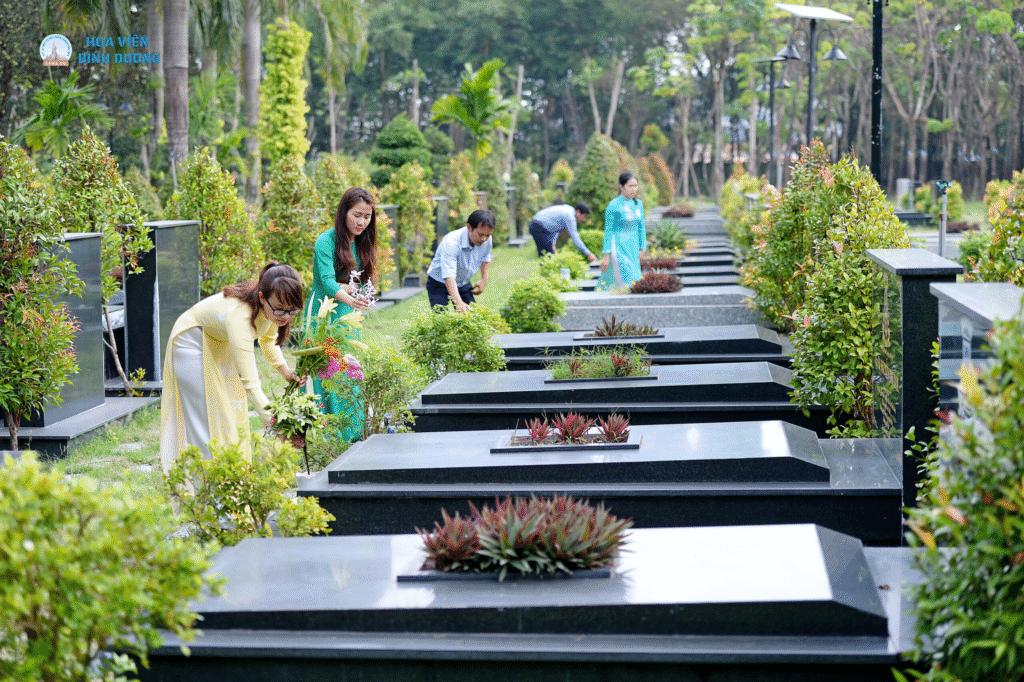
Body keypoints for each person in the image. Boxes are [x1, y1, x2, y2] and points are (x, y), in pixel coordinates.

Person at [160, 262, 304, 473]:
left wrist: (285, 371)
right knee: (206, 420)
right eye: (280, 309)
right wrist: (278, 425)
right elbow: (251, 385)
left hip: (216, 341)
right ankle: (207, 487)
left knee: (229, 415)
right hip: (190, 342)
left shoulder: (271, 310)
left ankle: (230, 479)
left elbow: (267, 340)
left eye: (292, 310)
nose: (286, 317)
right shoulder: (240, 319)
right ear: (262, 297)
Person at [308, 187, 378, 442]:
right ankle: (326, 438)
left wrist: (359, 295)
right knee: (326, 370)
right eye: (356, 215)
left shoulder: (363, 242)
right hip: (323, 312)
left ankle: (352, 434)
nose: (362, 222)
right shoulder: (326, 241)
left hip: (348, 313)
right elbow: (327, 282)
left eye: (367, 217)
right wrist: (349, 295)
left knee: (349, 369)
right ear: (343, 213)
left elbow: (363, 280)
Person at [425, 209, 495, 313]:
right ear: (469, 227)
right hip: (439, 282)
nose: (484, 239)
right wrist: (458, 302)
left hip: (462, 282)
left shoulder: (486, 239)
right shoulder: (451, 241)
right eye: (480, 235)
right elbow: (448, 275)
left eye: (488, 235)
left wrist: (484, 279)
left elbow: (485, 257)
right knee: (440, 317)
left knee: (471, 316)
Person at [596, 172, 646, 291]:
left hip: (633, 247)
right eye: (630, 186)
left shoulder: (638, 204)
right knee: (628, 276)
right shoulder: (613, 205)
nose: (633, 189)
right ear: (621, 187)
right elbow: (608, 231)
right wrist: (606, 254)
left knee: (633, 277)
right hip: (618, 247)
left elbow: (641, 227)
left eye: (635, 186)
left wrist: (643, 247)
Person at [528, 202, 597, 262]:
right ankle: (546, 272)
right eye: (584, 216)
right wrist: (588, 254)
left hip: (539, 226)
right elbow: (575, 237)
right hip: (538, 226)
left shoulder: (569, 211)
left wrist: (553, 244)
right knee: (547, 255)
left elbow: (555, 228)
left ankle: (546, 271)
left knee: (548, 255)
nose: (584, 219)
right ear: (578, 212)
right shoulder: (569, 216)